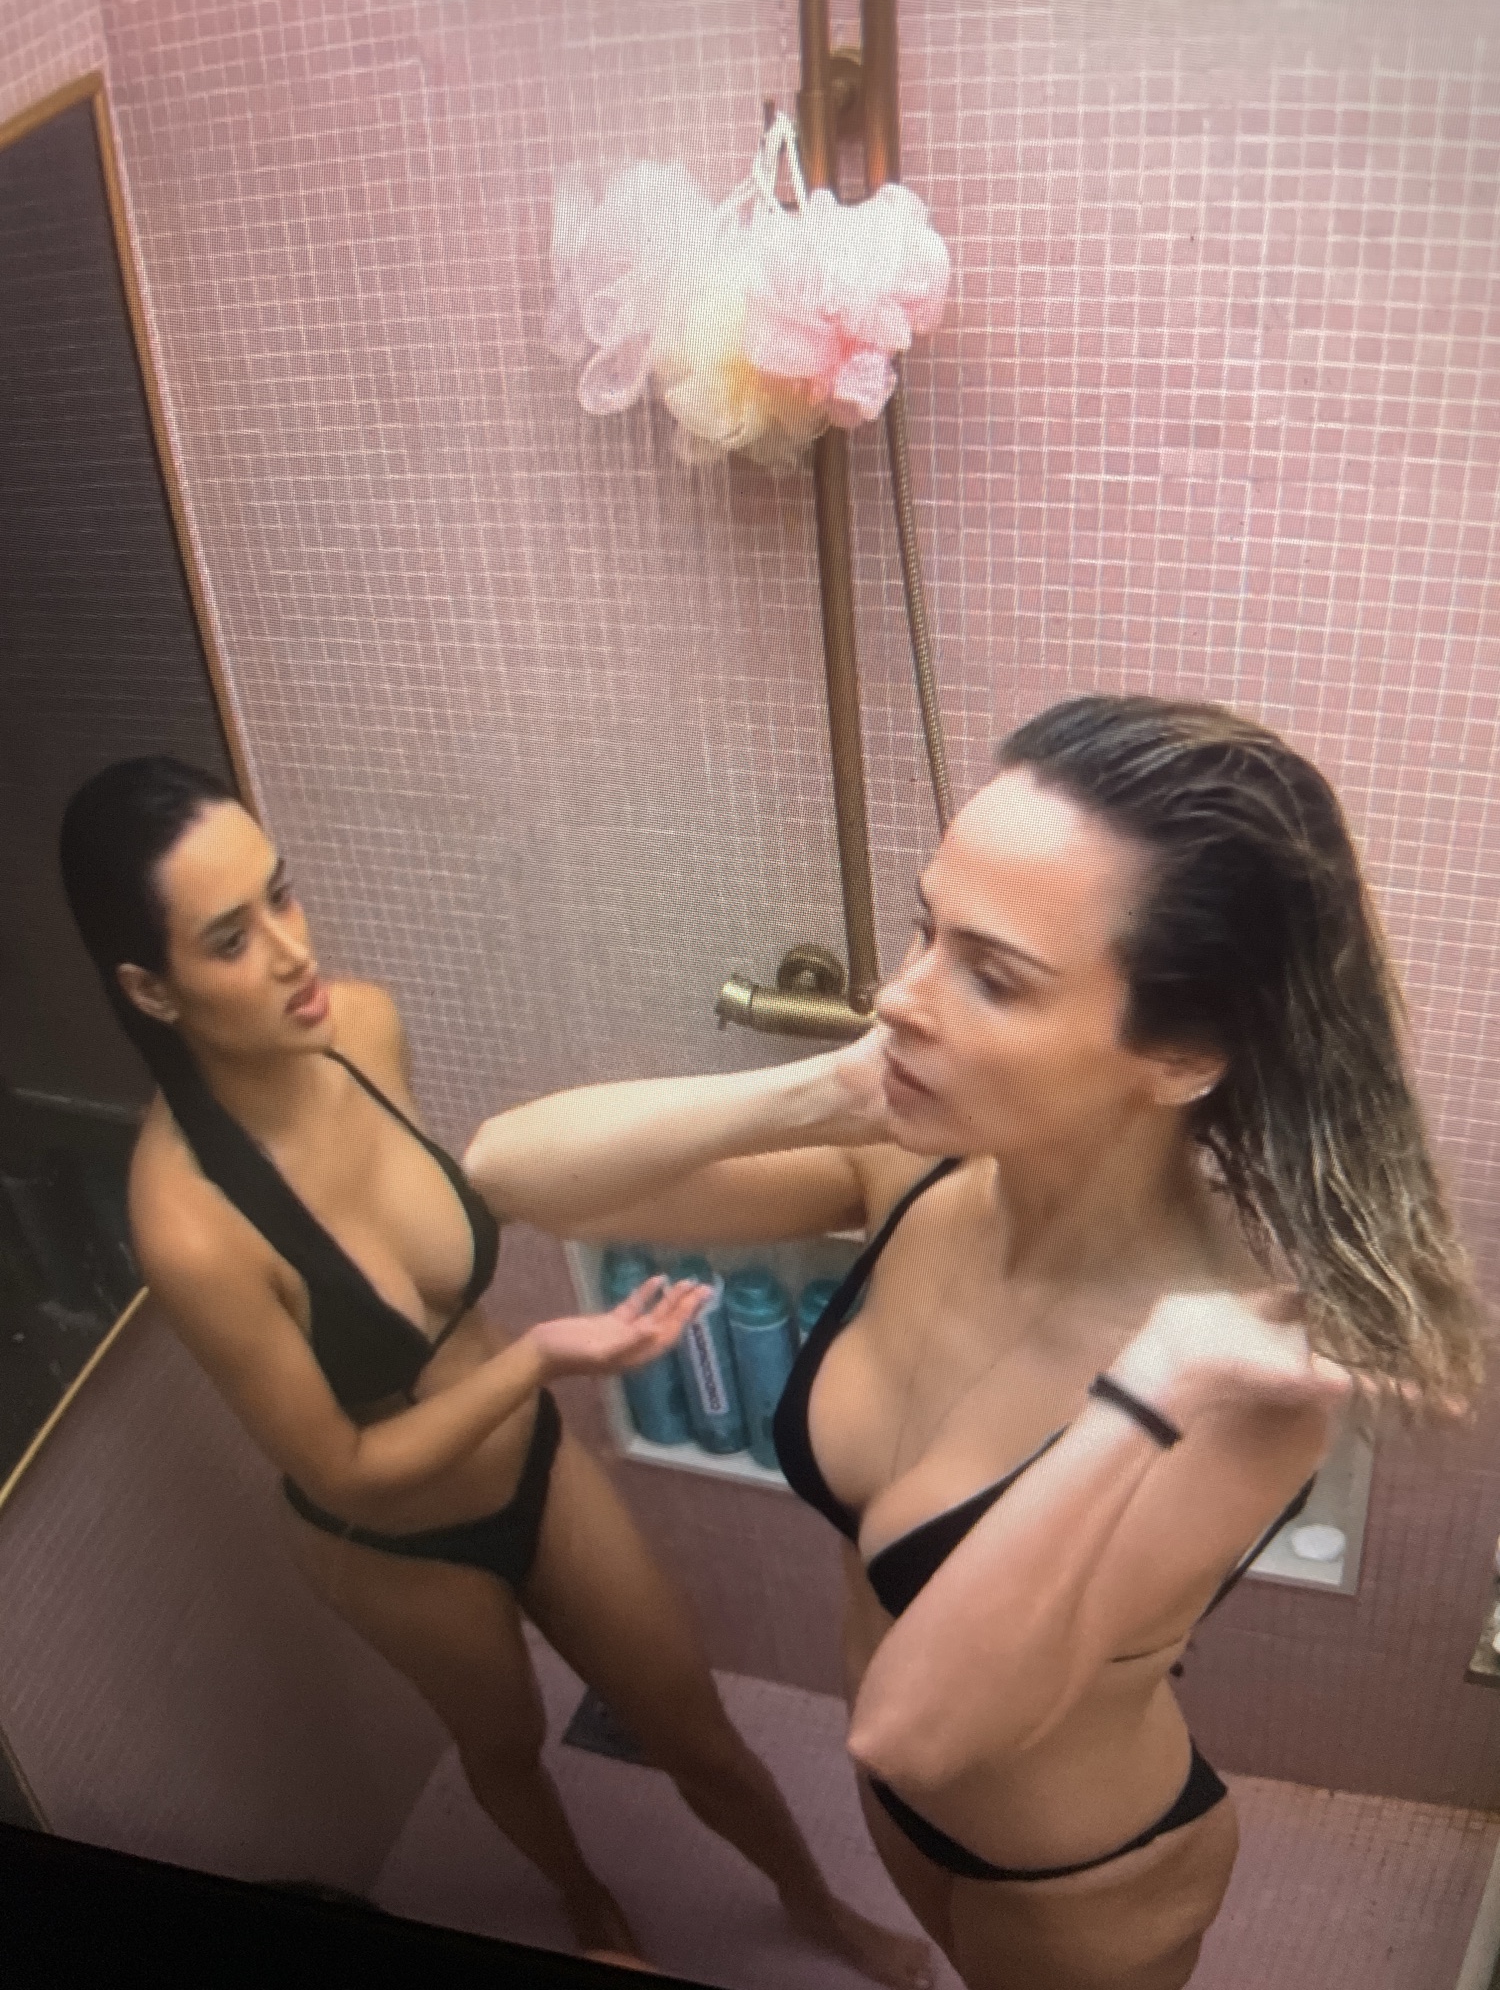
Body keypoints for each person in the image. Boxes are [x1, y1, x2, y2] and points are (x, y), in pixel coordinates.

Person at [463, 695, 1487, 1990]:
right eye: (924, 927)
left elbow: (916, 1727)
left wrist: (1149, 1390)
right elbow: (513, 1172)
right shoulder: (911, 1170)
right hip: (900, 1809)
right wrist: (836, 1083)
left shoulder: (1237, 1378)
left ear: (1183, 1053)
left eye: (992, 976)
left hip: (1074, 1880)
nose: (900, 993)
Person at [58, 756, 930, 1987]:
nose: (294, 951)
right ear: (151, 987)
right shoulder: (189, 1225)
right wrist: (535, 1356)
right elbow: (345, 1467)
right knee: (506, 1742)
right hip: (395, 1542)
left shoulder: (363, 1026)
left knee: (696, 1728)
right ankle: (583, 1892)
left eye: (282, 894)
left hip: (532, 1465)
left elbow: (493, 1195)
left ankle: (814, 1902)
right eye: (231, 939)